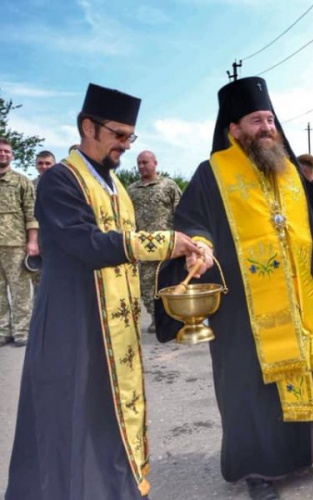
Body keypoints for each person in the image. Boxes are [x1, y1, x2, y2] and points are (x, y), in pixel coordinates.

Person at [154, 76, 313, 500]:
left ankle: (300, 455)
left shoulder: (287, 171)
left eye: (270, 119)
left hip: (299, 299)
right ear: (234, 128)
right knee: (249, 389)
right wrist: (200, 248)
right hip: (242, 308)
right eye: (256, 121)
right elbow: (193, 222)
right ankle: (258, 471)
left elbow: (312, 233)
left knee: (303, 373)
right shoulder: (212, 173)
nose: (267, 127)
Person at [5, 83, 201, 500]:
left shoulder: (116, 187)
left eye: (132, 137)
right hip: (72, 321)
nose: (126, 146)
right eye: (119, 135)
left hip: (116, 326)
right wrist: (164, 242)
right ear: (87, 127)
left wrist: (182, 251)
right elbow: (86, 243)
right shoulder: (59, 180)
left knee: (107, 415)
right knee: (70, 416)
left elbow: (123, 247)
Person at [127, 150, 182, 333]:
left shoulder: (168, 185)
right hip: (144, 246)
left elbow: (179, 212)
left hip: (167, 245)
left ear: (155, 163)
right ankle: (155, 318)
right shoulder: (132, 190)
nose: (142, 166)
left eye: (145, 162)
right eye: (139, 163)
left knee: (171, 282)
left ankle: (176, 318)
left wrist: (181, 238)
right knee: (147, 285)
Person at [0, 138, 37, 347]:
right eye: (0, 151)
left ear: (12, 155)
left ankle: (22, 331)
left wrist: (32, 242)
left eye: (6, 151)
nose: (3, 154)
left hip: (15, 245)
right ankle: (3, 330)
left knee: (20, 291)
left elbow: (31, 213)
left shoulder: (22, 181)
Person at [29, 151, 56, 293]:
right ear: (35, 165)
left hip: (60, 240)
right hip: (39, 241)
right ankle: (41, 313)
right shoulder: (30, 186)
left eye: (48, 163)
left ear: (54, 165)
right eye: (40, 163)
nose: (44, 166)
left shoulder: (65, 184)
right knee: (39, 282)